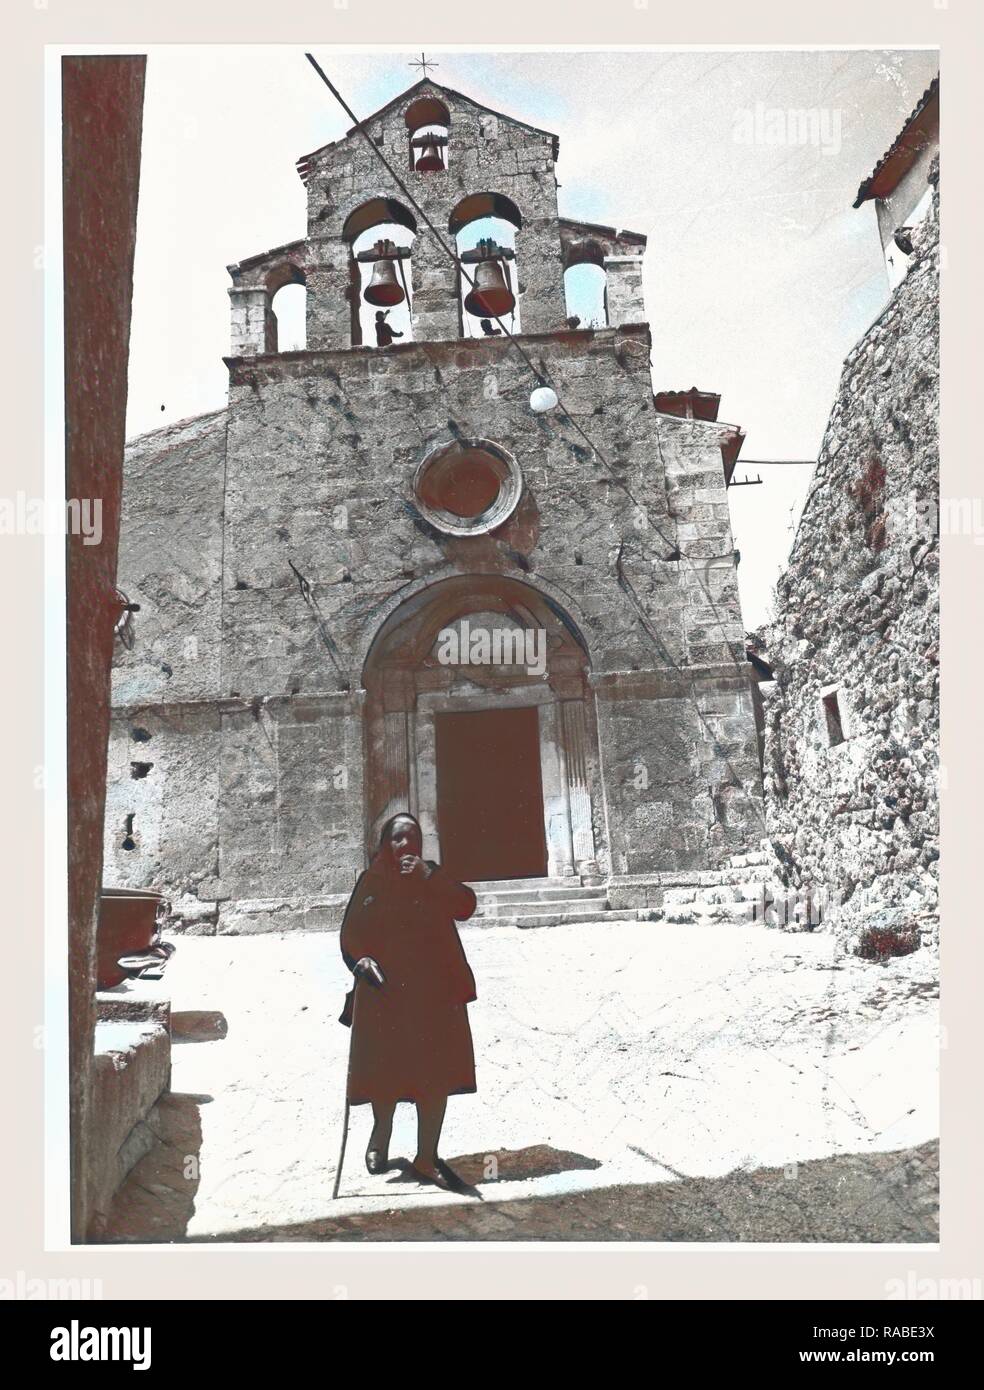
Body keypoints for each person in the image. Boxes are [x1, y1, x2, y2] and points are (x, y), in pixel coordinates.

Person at [339, 813, 478, 1184]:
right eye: (398, 839)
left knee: (435, 1074)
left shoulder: (431, 875)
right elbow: (351, 933)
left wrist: (429, 878)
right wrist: (361, 960)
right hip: (385, 994)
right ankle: (380, 1137)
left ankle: (426, 1157)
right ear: (386, 844)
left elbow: (465, 905)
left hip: (433, 995)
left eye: (413, 838)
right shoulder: (372, 881)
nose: (406, 846)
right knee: (386, 1073)